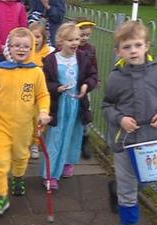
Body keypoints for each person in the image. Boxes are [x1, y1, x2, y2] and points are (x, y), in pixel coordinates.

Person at [102, 21, 157, 225]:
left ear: (147, 46)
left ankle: (116, 188)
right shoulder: (115, 78)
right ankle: (128, 214)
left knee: (146, 180)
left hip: (152, 140)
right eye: (126, 47)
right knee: (128, 191)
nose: (133, 51)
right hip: (126, 142)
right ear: (118, 51)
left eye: (137, 45)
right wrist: (120, 119)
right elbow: (107, 106)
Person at [0, 27, 51, 216]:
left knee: (21, 156)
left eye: (26, 46)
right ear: (10, 47)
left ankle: (18, 177)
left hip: (24, 126)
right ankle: (0, 197)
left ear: (32, 48)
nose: (21, 49)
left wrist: (44, 111)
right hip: (2, 125)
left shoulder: (36, 73)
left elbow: (42, 95)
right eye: (16, 46)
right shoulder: (0, 70)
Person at [41, 22, 98, 190]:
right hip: (59, 106)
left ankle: (67, 162)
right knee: (56, 138)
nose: (75, 43)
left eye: (77, 39)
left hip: (77, 105)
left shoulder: (83, 57)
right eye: (70, 40)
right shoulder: (51, 60)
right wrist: (56, 88)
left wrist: (86, 86)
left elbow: (92, 76)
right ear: (60, 42)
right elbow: (45, 82)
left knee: (74, 135)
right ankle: (50, 174)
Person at [28, 20, 54, 159]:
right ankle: (26, 141)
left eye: (38, 37)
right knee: (27, 119)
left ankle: (35, 144)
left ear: (44, 38)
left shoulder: (49, 53)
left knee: (38, 119)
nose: (35, 40)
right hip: (27, 91)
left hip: (42, 92)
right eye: (32, 37)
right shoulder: (26, 52)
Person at [75, 17, 98, 160]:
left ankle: (84, 141)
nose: (85, 38)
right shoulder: (71, 46)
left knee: (85, 114)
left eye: (87, 35)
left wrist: (95, 79)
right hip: (71, 85)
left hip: (85, 86)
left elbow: (94, 65)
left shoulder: (90, 49)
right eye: (82, 35)